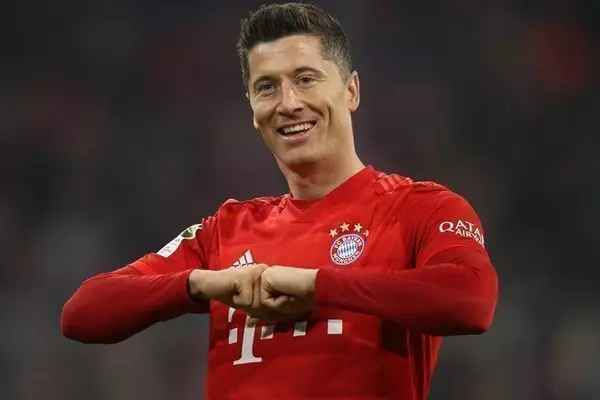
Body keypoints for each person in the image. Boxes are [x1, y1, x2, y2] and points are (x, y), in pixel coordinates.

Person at [61, 3, 498, 399]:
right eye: (267, 87)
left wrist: (316, 286)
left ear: (351, 91)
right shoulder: (226, 230)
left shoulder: (420, 208)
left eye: (305, 79)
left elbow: (471, 301)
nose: (288, 103)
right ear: (252, 109)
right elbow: (83, 312)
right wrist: (200, 285)